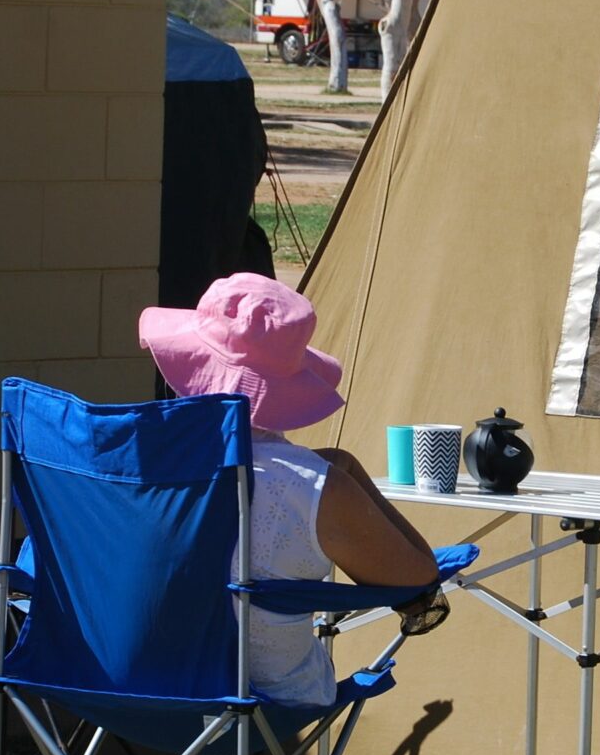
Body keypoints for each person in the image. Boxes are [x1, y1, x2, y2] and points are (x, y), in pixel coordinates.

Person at [138, 272, 440, 706]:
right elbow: (417, 580)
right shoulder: (311, 485)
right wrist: (347, 473)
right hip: (262, 699)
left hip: (123, 685)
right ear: (288, 389)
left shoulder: (130, 460)